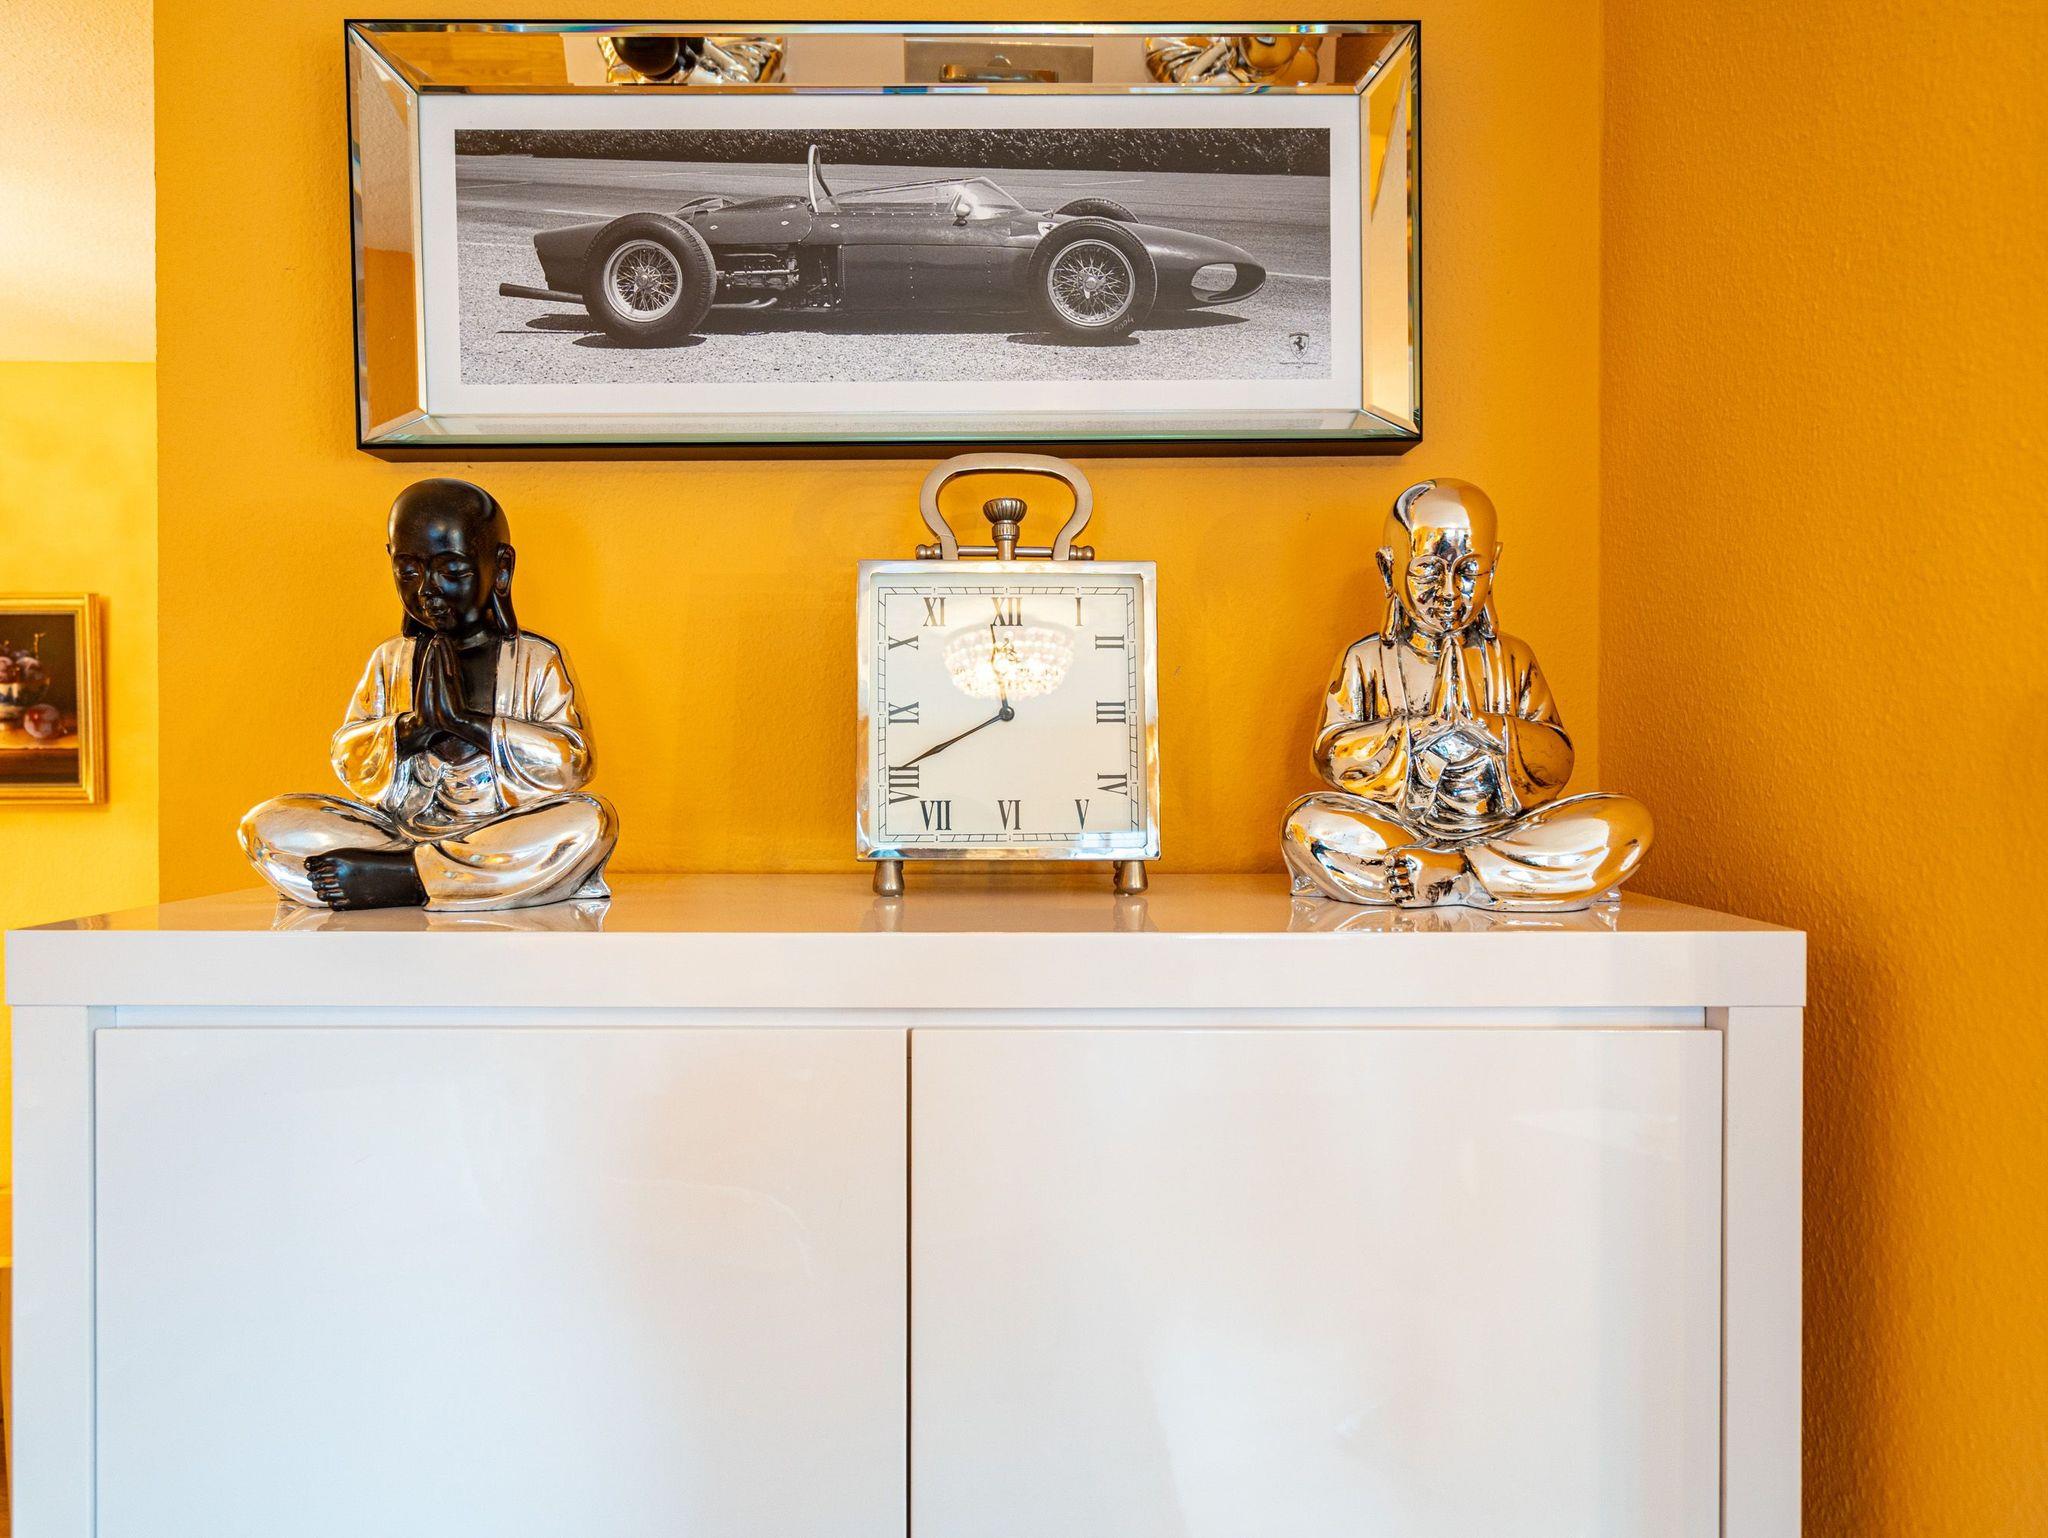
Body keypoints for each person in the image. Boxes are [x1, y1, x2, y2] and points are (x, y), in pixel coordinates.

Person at [240, 479, 617, 911]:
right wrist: (411, 730)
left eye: (452, 572)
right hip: (398, 830)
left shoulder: (535, 659)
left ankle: (406, 878)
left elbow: (572, 762)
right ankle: (437, 874)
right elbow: (347, 754)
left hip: (499, 831)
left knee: (589, 821)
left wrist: (469, 725)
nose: (426, 591)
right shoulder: (390, 659)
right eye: (409, 572)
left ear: (501, 569)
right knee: (266, 825)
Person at [1282, 479, 1651, 909]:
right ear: (1388, 568)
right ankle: (1485, 877)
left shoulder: (1512, 657)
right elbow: (1331, 755)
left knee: (1624, 823)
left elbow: (1557, 759)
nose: (1450, 592)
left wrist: (1491, 731)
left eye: (1470, 571)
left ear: (1495, 564)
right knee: (1306, 824)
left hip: (1501, 830)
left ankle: (1457, 875)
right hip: (1402, 829)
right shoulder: (1365, 658)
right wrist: (1418, 732)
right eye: (1428, 571)